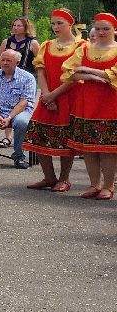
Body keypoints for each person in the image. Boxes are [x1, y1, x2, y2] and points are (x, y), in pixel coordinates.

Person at [25, 8, 86, 192]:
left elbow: (75, 76)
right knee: (39, 136)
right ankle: (49, 177)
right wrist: (46, 94)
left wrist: (55, 94)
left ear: (70, 24)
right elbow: (40, 70)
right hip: (48, 95)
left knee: (65, 138)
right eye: (53, 23)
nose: (55, 27)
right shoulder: (46, 45)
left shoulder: (81, 45)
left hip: (69, 96)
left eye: (60, 23)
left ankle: (64, 178)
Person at [65, 11, 117, 199]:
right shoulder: (85, 49)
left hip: (110, 103)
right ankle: (94, 184)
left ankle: (108, 186)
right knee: (88, 147)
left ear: (114, 29)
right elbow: (70, 72)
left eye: (106, 29)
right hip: (87, 102)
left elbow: (113, 74)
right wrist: (90, 75)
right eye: (98, 28)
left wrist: (87, 69)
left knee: (108, 148)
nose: (101, 32)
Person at [0, 49, 37, 173]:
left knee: (22, 122)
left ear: (17, 62)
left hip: (19, 112)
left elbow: (24, 102)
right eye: (3, 60)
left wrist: (9, 117)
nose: (5, 63)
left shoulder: (27, 78)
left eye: (8, 60)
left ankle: (19, 156)